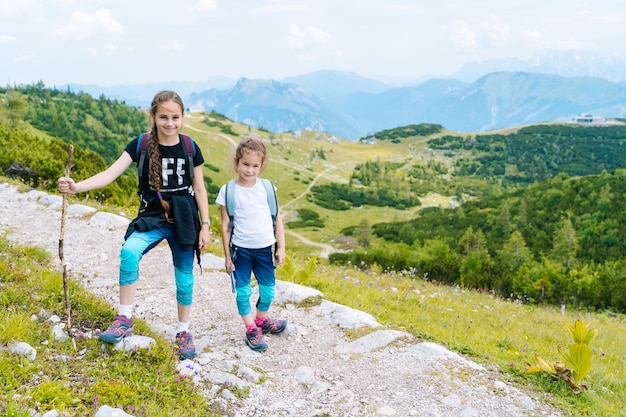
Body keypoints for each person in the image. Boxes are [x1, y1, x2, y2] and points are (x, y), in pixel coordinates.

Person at [57, 90, 210, 360]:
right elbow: (110, 173)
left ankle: (183, 331)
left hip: (185, 218)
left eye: (175, 117)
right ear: (153, 116)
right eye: (163, 117)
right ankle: (124, 318)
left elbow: (199, 188)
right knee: (129, 252)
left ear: (183, 117)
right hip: (152, 215)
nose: (170, 123)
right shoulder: (140, 145)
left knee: (184, 279)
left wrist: (206, 225)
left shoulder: (190, 147)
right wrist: (76, 187)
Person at [215, 137, 287, 351]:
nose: (250, 170)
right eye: (245, 164)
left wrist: (281, 247)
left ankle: (262, 320)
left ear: (261, 166)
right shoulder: (228, 191)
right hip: (241, 251)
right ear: (237, 162)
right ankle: (250, 328)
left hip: (265, 249)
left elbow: (277, 219)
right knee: (243, 292)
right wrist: (227, 256)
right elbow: (226, 225)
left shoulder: (267, 188)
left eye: (255, 166)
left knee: (268, 291)